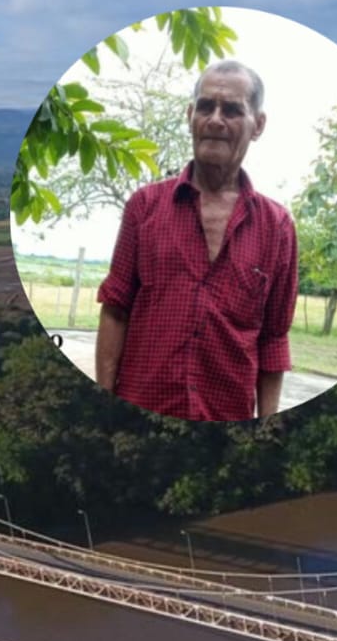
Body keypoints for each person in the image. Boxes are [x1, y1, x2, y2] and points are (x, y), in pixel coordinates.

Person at [95, 59, 298, 421]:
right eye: (206, 107)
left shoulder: (277, 226)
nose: (215, 120)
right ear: (190, 115)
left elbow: (273, 339)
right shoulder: (144, 207)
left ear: (258, 125)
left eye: (233, 110)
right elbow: (115, 311)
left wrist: (267, 430)